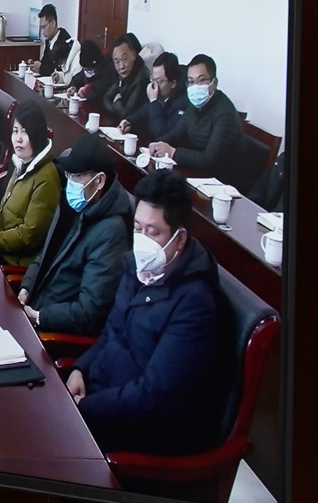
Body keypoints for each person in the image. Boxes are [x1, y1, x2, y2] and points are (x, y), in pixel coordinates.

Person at [66, 171, 224, 456]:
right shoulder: (137, 268)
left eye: (153, 232)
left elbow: (154, 395)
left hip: (137, 433)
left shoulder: (194, 303)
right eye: (137, 228)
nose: (142, 241)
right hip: (100, 400)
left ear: (179, 239)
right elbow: (110, 332)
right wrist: (80, 368)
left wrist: (86, 407)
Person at [18, 132, 132, 336]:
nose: (70, 182)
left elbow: (90, 311)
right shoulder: (73, 206)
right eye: (69, 175)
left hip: (54, 333)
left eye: (77, 176)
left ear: (99, 181)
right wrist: (26, 287)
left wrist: (40, 317)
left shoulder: (111, 233)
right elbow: (45, 255)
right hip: (33, 312)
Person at [0, 100, 62, 266]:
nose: (18, 139)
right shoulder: (21, 163)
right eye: (15, 131)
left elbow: (27, 236)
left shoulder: (47, 178)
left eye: (25, 132)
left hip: (12, 261)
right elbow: (1, 209)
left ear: (37, 135)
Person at [147, 53, 245, 180]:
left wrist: (173, 152)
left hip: (221, 181)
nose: (195, 86)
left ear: (214, 83)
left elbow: (209, 159)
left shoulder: (225, 114)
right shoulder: (194, 105)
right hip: (197, 173)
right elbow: (176, 134)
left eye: (201, 80)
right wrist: (159, 144)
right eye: (191, 82)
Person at [119, 51, 189, 143]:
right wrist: (129, 122)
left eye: (159, 81)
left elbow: (162, 135)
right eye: (153, 79)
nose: (154, 85)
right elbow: (142, 112)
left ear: (173, 83)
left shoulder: (183, 104)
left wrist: (153, 101)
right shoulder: (160, 95)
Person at [97, 34, 149, 120]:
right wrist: (115, 107)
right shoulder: (124, 73)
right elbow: (106, 98)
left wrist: (117, 101)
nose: (121, 67)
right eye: (117, 62)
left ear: (134, 55)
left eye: (124, 59)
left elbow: (126, 113)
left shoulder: (142, 78)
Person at [35, 4, 79, 81]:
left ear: (53, 23)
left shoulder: (65, 42)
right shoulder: (49, 40)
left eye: (44, 27)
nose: (43, 31)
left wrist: (41, 68)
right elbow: (45, 62)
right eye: (41, 28)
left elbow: (61, 70)